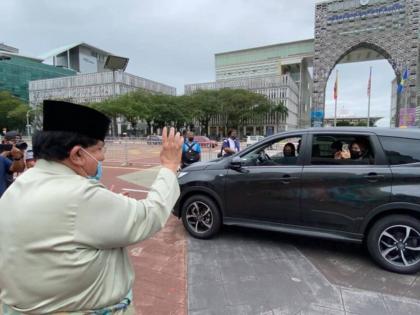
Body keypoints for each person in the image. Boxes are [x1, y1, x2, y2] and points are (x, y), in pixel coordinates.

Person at [0, 100, 183, 314]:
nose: (103, 157)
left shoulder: (21, 184)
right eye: (99, 149)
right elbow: (148, 215)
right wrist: (170, 167)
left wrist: (106, 204)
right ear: (77, 154)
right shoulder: (78, 195)